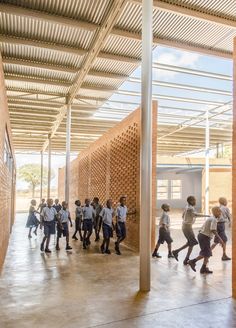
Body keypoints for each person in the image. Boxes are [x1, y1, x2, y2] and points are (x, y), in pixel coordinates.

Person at [172, 196, 209, 265]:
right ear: (191, 201)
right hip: (187, 227)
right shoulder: (190, 208)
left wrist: (188, 220)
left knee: (190, 242)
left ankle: (177, 252)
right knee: (192, 243)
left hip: (185, 226)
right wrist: (207, 216)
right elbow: (196, 215)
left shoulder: (187, 207)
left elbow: (182, 216)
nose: (195, 202)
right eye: (194, 200)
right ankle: (185, 258)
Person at [188, 206, 224, 274]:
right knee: (206, 253)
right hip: (204, 237)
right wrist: (220, 239)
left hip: (203, 236)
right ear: (215, 212)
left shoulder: (211, 218)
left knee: (207, 253)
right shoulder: (213, 219)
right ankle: (192, 261)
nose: (220, 213)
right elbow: (213, 230)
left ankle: (203, 268)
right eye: (219, 211)